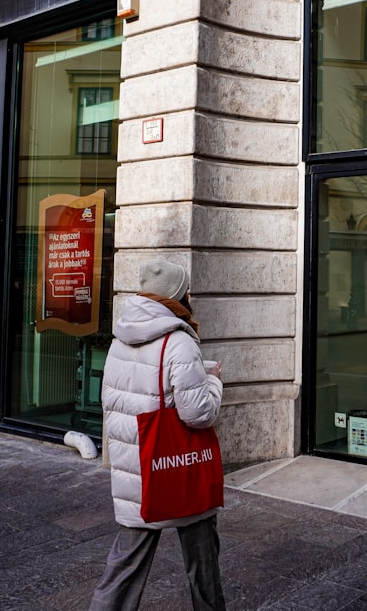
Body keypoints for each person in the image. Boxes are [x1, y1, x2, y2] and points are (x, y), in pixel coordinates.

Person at [90, 259, 225, 611]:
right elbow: (198, 413)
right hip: (176, 466)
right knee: (203, 564)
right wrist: (213, 381)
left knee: (124, 567)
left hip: (135, 469)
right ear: (177, 294)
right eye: (187, 289)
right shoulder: (178, 340)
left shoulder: (121, 337)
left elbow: (114, 399)